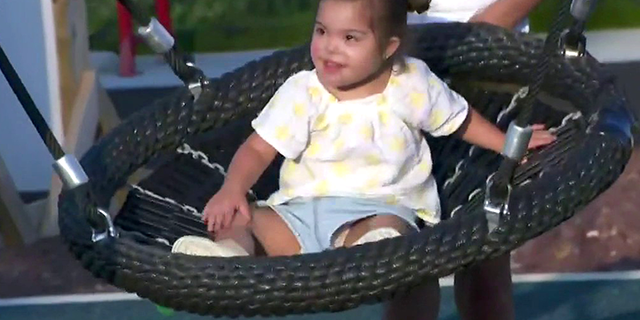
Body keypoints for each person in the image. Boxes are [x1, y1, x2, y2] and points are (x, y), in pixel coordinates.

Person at [171, 0, 555, 318]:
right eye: (321, 32)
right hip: (301, 215)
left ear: (388, 47)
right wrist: (233, 189)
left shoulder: (411, 82)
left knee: (396, 232)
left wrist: (507, 142)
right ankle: (228, 256)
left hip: (377, 211)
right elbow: (258, 147)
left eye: (349, 37)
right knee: (244, 217)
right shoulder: (304, 90)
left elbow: (460, 120)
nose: (329, 47)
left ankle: (378, 253)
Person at [404, 1, 547, 320]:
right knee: (407, 260)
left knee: (485, 251)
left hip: (491, 62)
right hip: (400, 61)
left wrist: (479, 34)